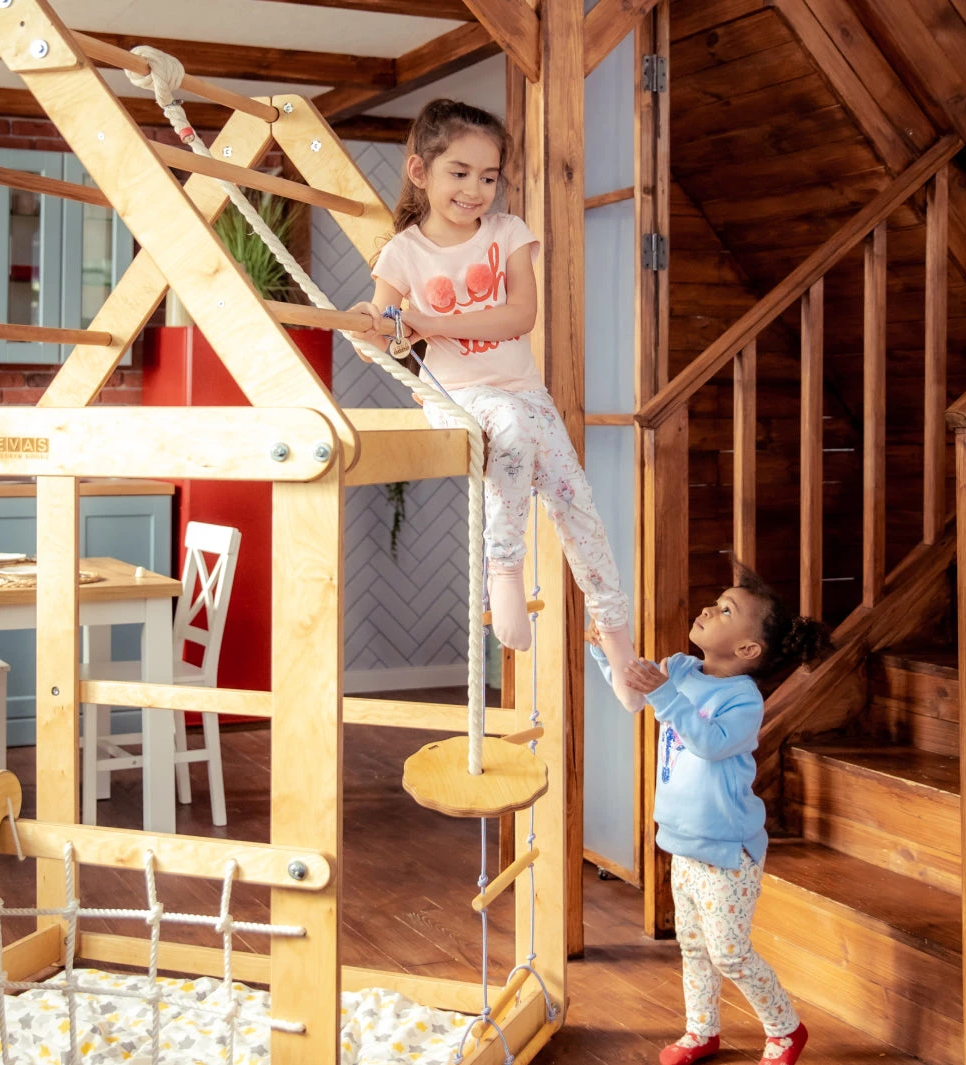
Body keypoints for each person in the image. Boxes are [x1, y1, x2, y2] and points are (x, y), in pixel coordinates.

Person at [349, 97, 643, 712]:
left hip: (526, 393)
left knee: (579, 507)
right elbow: (384, 329)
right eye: (459, 172)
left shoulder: (508, 233)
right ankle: (503, 567)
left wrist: (430, 321)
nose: (475, 190)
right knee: (505, 425)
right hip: (457, 397)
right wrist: (369, 325)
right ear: (420, 171)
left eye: (488, 177)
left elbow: (519, 316)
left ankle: (618, 644)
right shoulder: (403, 252)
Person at [589, 563, 831, 1065]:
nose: (707, 608)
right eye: (716, 602)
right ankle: (702, 1031)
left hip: (727, 852)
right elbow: (635, 693)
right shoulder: (679, 668)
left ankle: (786, 1029)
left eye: (725, 610)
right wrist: (606, 652)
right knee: (694, 947)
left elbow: (709, 743)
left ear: (747, 649)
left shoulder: (743, 700)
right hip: (683, 841)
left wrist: (663, 693)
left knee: (730, 953)